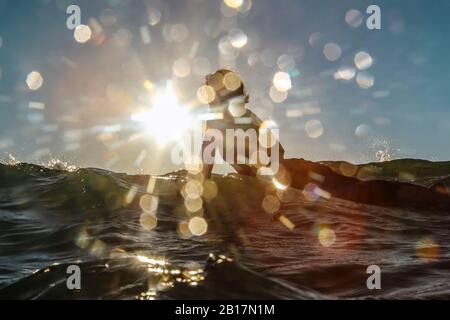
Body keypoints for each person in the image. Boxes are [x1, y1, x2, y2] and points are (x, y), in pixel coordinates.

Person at [200, 69, 285, 178]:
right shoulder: (215, 121)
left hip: (277, 170)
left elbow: (278, 150)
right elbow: (207, 158)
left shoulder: (246, 117)